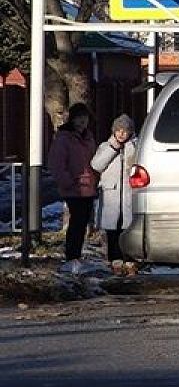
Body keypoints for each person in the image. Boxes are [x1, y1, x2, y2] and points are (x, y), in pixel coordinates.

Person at [47, 103, 98, 268]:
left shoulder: (89, 137)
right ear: (73, 119)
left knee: (82, 222)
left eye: (85, 118)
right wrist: (68, 182)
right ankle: (71, 256)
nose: (82, 121)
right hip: (73, 188)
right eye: (79, 117)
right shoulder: (64, 138)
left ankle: (77, 255)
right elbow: (56, 164)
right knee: (76, 222)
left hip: (88, 186)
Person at [91, 115, 138, 276]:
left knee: (128, 228)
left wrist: (131, 149)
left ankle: (130, 259)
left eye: (125, 131)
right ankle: (115, 259)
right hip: (111, 192)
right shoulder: (106, 146)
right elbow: (96, 165)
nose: (121, 134)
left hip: (129, 193)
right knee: (112, 230)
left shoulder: (136, 146)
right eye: (118, 130)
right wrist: (113, 148)